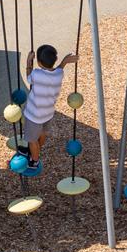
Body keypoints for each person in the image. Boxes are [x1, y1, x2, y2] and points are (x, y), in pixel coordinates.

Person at [18, 43, 77, 174]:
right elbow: (59, 69)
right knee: (43, 133)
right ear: (54, 60)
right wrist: (64, 62)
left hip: (34, 115)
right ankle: (36, 149)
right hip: (48, 113)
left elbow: (29, 77)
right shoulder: (58, 74)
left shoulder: (36, 74)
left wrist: (28, 61)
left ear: (38, 62)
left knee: (32, 140)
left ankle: (34, 160)